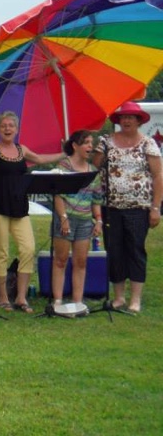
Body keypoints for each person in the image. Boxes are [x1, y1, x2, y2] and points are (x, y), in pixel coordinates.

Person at [0, 110, 65, 313]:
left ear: (16, 129)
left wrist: (64, 153)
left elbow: (40, 159)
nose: (7, 129)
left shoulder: (22, 149)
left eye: (11, 126)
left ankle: (21, 297)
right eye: (3, 126)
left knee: (28, 249)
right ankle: (3, 297)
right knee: (1, 252)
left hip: (20, 208)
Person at [92, 101, 162, 314]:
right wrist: (96, 150)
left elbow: (158, 175)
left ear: (139, 120)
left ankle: (136, 299)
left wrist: (155, 207)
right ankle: (119, 297)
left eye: (131, 117)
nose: (127, 120)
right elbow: (94, 166)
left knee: (135, 249)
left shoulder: (148, 143)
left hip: (138, 207)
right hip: (111, 206)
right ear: (118, 121)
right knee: (114, 250)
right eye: (123, 117)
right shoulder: (106, 142)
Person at [51, 130, 103, 307]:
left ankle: (77, 301)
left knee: (81, 261)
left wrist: (98, 220)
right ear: (75, 146)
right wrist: (63, 217)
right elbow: (58, 195)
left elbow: (96, 199)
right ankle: (57, 300)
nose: (90, 146)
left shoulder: (93, 171)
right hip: (65, 218)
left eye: (91, 142)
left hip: (85, 220)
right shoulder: (64, 166)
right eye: (86, 142)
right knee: (61, 259)